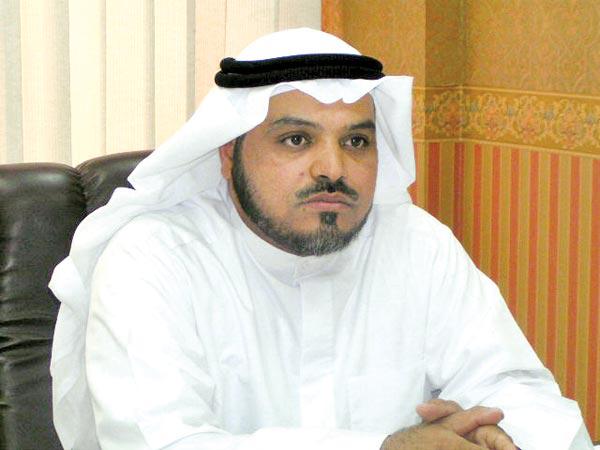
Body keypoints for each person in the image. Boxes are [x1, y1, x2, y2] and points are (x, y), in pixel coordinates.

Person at [49, 28, 594, 450]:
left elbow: (512, 385)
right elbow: (164, 443)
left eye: (356, 141)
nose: (332, 169)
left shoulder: (418, 245)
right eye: (296, 140)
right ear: (228, 153)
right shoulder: (152, 260)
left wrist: (501, 435)